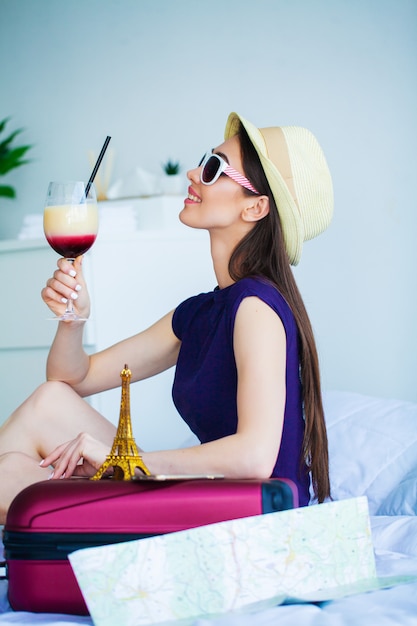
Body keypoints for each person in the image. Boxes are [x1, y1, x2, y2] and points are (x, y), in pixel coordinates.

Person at [0, 112, 334, 523]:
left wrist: (127, 461)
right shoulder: (201, 312)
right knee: (43, 411)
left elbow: (254, 457)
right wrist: (74, 319)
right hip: (213, 498)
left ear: (256, 207)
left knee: (8, 481)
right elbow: (72, 380)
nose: (195, 172)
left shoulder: (256, 307)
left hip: (252, 517)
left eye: (214, 169)